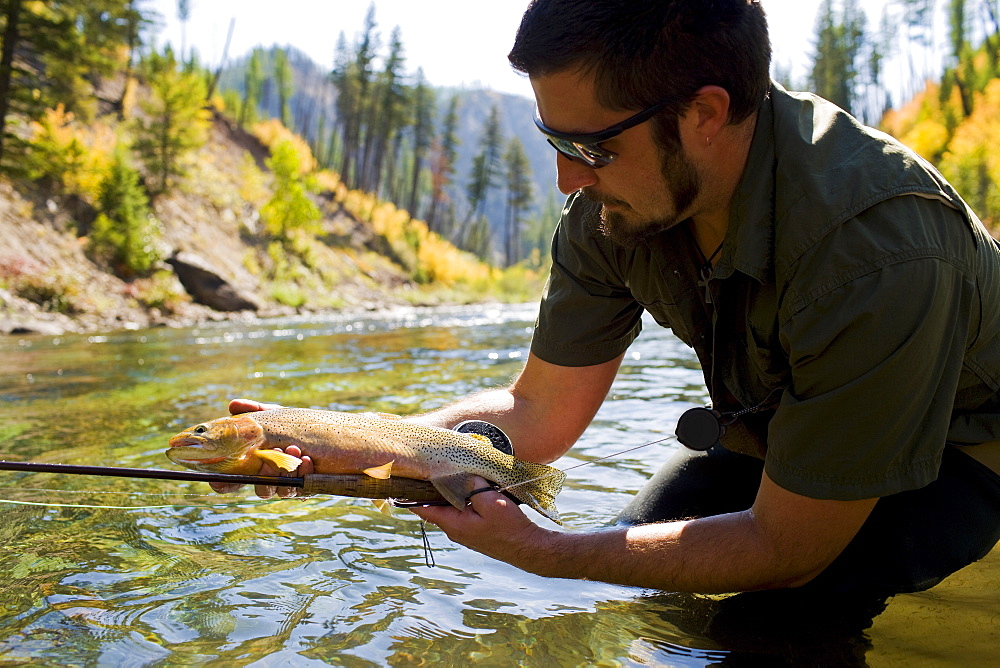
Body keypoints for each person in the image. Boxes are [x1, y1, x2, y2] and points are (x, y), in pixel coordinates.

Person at [225, 0, 1000, 599]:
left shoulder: (880, 249)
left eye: (591, 147)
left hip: (954, 461)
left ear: (704, 113)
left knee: (768, 624)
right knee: (640, 579)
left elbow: (785, 550)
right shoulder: (615, 211)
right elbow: (537, 417)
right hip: (781, 434)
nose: (568, 178)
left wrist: (548, 554)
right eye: (554, 141)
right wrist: (335, 439)